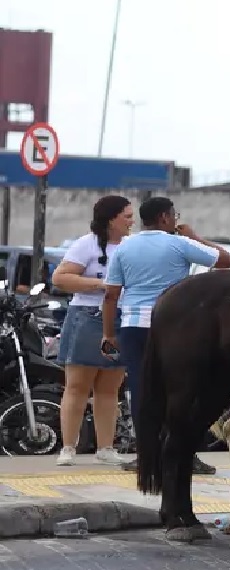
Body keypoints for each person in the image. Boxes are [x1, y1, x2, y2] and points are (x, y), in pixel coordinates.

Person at [101, 197, 230, 474]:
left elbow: (111, 295)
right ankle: (184, 454)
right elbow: (227, 260)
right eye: (174, 215)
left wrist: (109, 333)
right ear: (164, 217)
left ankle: (146, 457)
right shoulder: (179, 243)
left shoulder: (125, 248)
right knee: (181, 390)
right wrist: (194, 236)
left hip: (134, 326)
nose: (176, 220)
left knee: (141, 390)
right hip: (175, 327)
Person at [51, 195, 136, 467]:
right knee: (77, 385)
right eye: (127, 215)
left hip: (121, 317)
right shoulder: (85, 244)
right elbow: (61, 277)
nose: (131, 221)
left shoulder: (130, 246)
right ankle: (68, 447)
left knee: (110, 388)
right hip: (87, 316)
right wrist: (100, 286)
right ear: (112, 219)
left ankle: (106, 447)